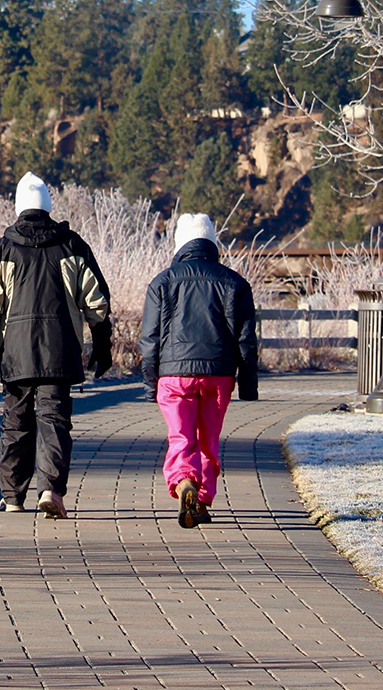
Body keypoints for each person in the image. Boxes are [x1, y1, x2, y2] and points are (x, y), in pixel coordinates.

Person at [0, 173, 113, 519]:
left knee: (15, 423)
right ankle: (50, 489)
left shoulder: (3, 249)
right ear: (48, 205)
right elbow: (96, 303)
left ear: (19, 207)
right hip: (59, 351)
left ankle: (13, 497)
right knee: (54, 421)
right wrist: (102, 345)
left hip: (17, 354)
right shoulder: (72, 246)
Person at [138, 213, 258, 529]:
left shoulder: (162, 282)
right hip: (218, 373)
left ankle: (184, 483)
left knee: (181, 436)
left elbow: (149, 338)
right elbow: (245, 339)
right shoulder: (235, 283)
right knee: (209, 440)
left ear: (180, 244)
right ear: (212, 242)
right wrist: (248, 385)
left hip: (174, 374)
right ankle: (202, 499)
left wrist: (151, 384)